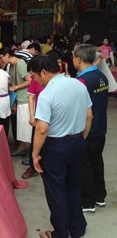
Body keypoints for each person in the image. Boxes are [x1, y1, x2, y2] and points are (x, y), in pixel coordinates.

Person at [30, 54, 93, 238]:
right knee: (74, 185)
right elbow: (89, 116)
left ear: (43, 72)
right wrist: (81, 138)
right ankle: (77, 228)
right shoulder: (78, 84)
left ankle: (60, 233)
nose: (36, 81)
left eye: (35, 76)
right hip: (78, 142)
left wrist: (35, 154)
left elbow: (41, 129)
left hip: (56, 146)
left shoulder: (47, 93)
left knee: (56, 190)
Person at [73, 44, 109, 213]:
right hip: (101, 127)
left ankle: (87, 202)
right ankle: (100, 196)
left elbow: (81, 110)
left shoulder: (82, 81)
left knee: (85, 164)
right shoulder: (102, 76)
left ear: (78, 59)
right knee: (97, 161)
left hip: (87, 129)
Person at [0, 47, 32, 156]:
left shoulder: (20, 63)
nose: (1, 60)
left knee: (26, 126)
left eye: (1, 57)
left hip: (25, 98)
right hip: (19, 98)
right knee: (21, 125)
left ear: (7, 55)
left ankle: (29, 151)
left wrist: (15, 87)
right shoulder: (11, 65)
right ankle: (22, 148)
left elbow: (29, 80)